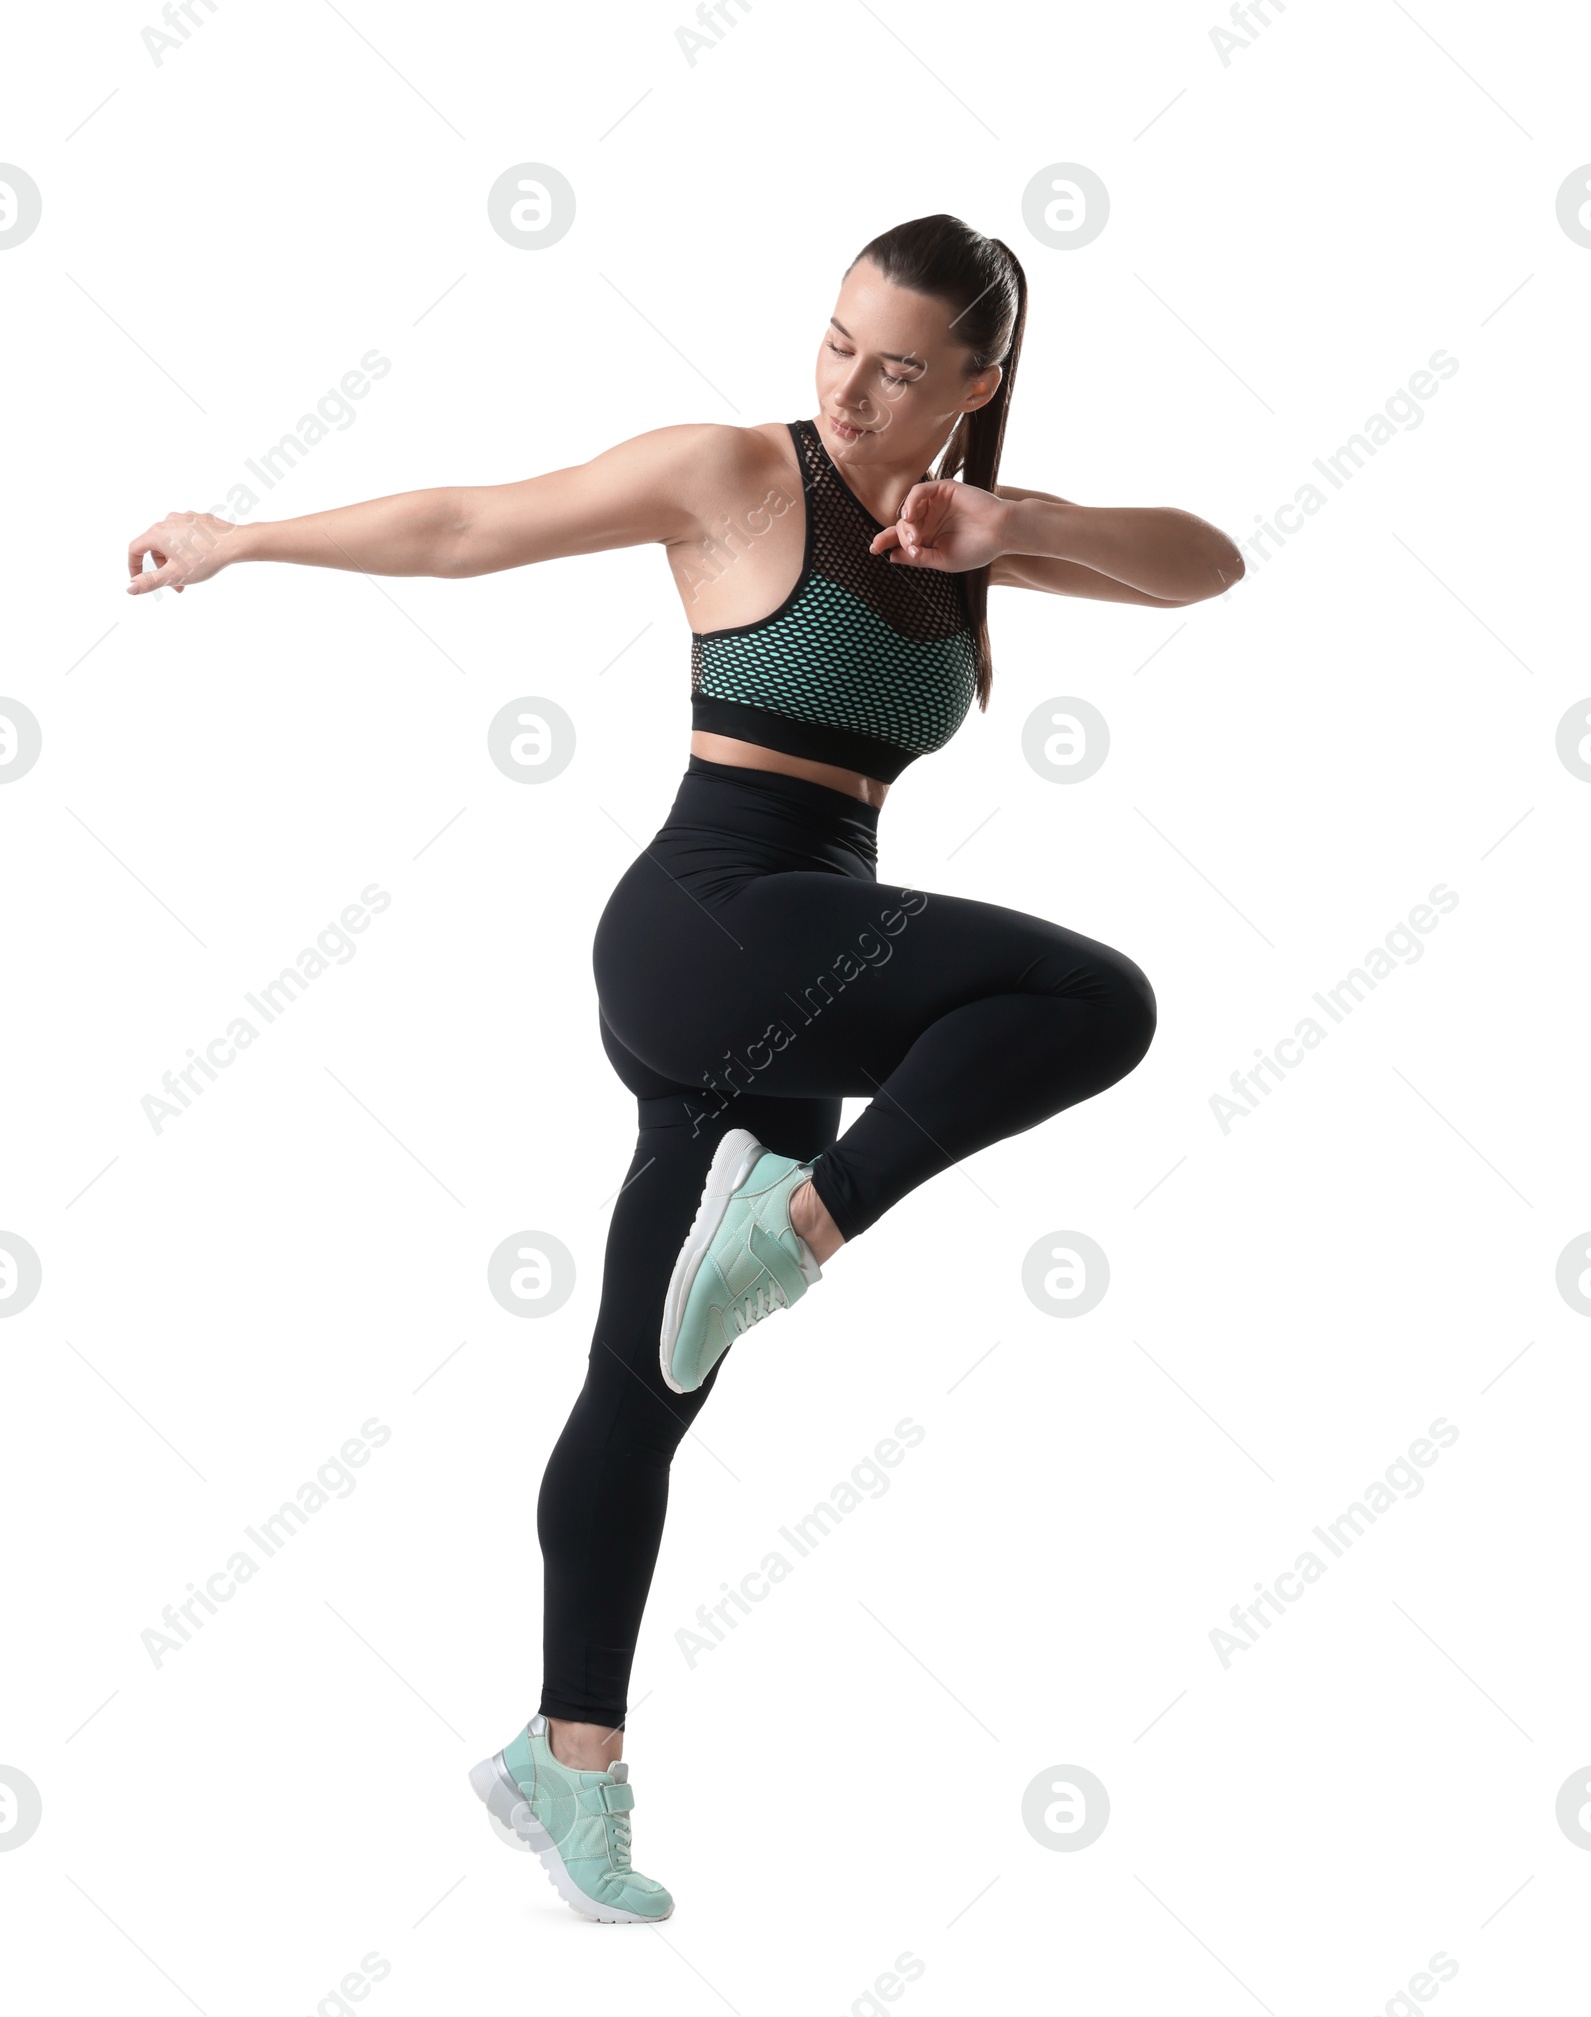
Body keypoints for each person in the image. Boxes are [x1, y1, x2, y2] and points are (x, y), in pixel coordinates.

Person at [127, 212, 1244, 1924]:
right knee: (1096, 998)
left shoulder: (955, 526)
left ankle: (564, 1764)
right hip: (713, 929)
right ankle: (800, 1228)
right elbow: (468, 522)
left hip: (797, 970)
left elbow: (1209, 564)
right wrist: (244, 537)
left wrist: (1011, 525)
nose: (854, 388)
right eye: (837, 341)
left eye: (900, 367)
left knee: (645, 1390)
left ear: (974, 383)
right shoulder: (737, 470)